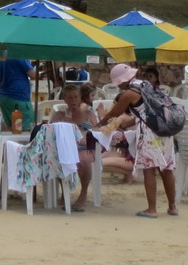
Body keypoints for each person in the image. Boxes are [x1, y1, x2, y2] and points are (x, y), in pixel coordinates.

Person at [98, 63, 176, 218]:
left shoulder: (129, 93)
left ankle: (152, 209)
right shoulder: (146, 86)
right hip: (165, 130)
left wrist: (100, 121)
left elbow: (114, 112)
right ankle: (172, 207)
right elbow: (141, 114)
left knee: (149, 169)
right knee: (167, 168)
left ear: (121, 80)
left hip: (149, 133)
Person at [50, 84, 100, 211]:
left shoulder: (88, 114)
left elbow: (98, 130)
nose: (73, 101)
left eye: (75, 97)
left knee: (83, 160)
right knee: (59, 160)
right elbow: (52, 133)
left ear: (80, 98)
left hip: (85, 148)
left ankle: (83, 193)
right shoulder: (59, 115)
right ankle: (64, 191)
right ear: (65, 100)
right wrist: (67, 118)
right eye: (70, 98)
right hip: (65, 149)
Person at [0, 58, 36, 131]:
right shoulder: (18, 54)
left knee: (11, 129)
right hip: (19, 97)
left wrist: (3, 80)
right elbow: (33, 75)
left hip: (3, 96)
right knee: (25, 129)